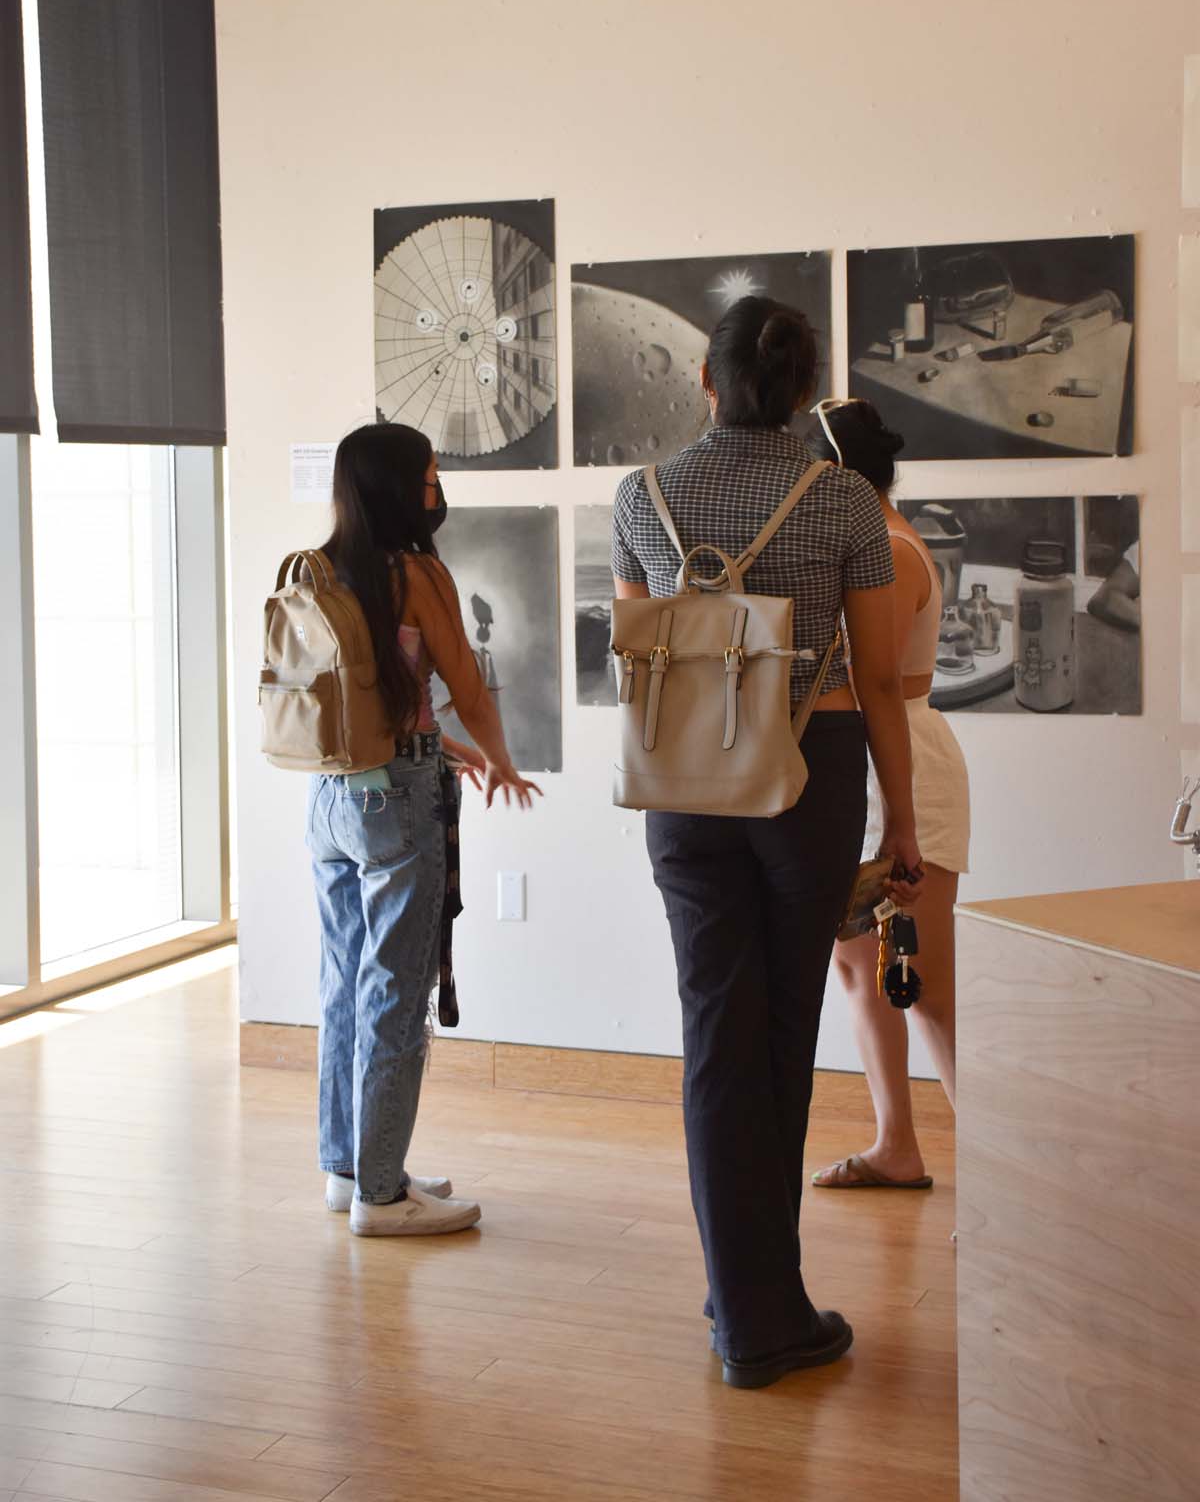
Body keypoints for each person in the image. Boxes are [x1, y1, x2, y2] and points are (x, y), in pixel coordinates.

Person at [611, 299, 924, 1390]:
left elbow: (642, 651)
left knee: (714, 1041)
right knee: (783, 1041)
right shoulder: (842, 499)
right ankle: (764, 1315)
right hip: (807, 778)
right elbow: (881, 680)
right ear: (801, 391)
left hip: (685, 792)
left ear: (706, 377)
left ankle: (735, 1295)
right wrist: (906, 823)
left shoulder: (638, 495)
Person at [308, 423, 540, 1238]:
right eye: (431, 476)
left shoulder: (322, 568)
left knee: (344, 983)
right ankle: (383, 1196)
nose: (437, 490)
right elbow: (467, 684)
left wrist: (450, 750)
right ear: (403, 486)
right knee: (396, 994)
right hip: (397, 800)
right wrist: (502, 757)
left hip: (332, 798)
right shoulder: (417, 572)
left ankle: (351, 1169)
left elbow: (369, 691)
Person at [809, 400, 968, 1193]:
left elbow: (870, 678)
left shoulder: (895, 552)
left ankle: (1006, 1160)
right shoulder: (875, 541)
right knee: (856, 962)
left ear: (836, 471)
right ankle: (895, 1144)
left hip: (901, 759)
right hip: (868, 759)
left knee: (925, 981)